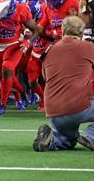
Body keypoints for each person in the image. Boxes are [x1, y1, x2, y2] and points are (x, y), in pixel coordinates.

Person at [33, 16, 94, 152]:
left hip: (54, 112)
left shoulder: (49, 51)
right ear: (82, 32)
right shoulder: (89, 47)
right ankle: (91, 136)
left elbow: (45, 77)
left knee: (67, 140)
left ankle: (50, 142)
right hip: (79, 106)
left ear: (62, 30)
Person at [0, 0, 39, 115]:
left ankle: (2, 104)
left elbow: (36, 30)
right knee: (4, 75)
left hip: (14, 45)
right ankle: (22, 92)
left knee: (7, 69)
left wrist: (28, 41)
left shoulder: (20, 9)